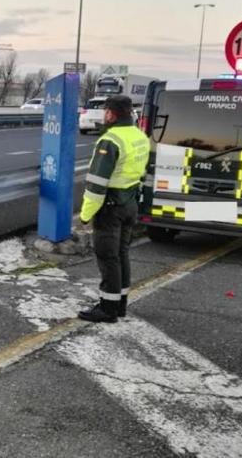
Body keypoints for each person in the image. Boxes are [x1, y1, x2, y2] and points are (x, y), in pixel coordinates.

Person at [77, 95, 150, 323]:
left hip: (111, 208)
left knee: (108, 256)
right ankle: (119, 304)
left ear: (110, 113)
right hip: (130, 203)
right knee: (121, 254)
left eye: (106, 111)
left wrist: (86, 214)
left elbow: (97, 183)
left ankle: (107, 309)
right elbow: (142, 172)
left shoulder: (111, 140)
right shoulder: (140, 136)